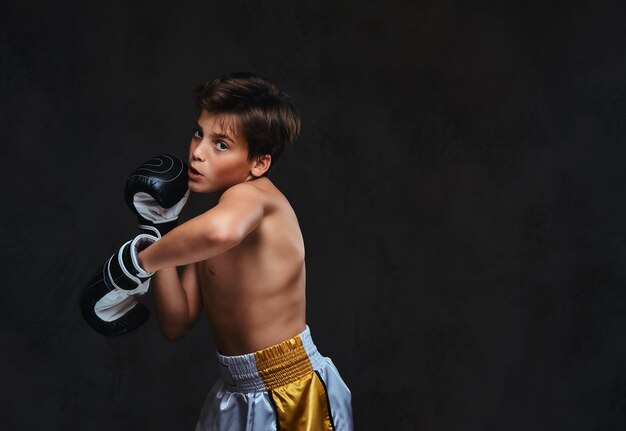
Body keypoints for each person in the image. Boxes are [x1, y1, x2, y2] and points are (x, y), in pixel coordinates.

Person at [135, 72, 353, 430]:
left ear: (259, 163)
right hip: (235, 391)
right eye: (197, 133)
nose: (198, 152)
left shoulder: (255, 197)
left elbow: (221, 231)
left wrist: (138, 262)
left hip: (291, 389)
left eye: (221, 144)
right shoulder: (205, 231)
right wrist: (157, 234)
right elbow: (176, 323)